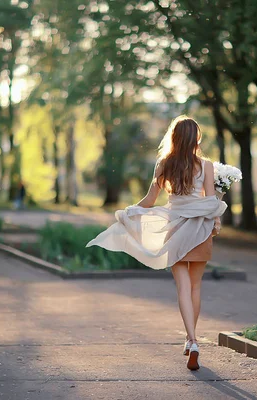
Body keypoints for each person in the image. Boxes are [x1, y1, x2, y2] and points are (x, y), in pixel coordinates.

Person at [87, 116, 226, 371]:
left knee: (182, 288)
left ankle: (192, 340)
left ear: (174, 137)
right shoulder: (206, 166)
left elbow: (150, 199)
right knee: (195, 287)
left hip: (174, 228)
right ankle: (191, 340)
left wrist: (130, 211)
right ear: (196, 138)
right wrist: (216, 221)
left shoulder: (164, 164)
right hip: (199, 230)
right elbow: (210, 201)